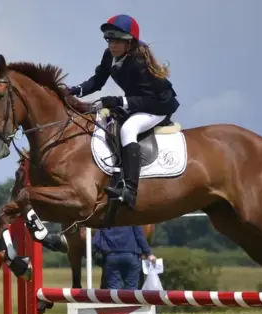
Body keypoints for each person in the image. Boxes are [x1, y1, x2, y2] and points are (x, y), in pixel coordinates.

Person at [67, 14, 180, 210]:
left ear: (130, 43)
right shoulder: (110, 55)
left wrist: (120, 101)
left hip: (158, 106)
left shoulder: (139, 62)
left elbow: (150, 99)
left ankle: (130, 190)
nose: (112, 45)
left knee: (128, 129)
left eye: (118, 41)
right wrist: (74, 90)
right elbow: (98, 81)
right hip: (138, 102)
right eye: (109, 40)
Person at [92, 225, 156, 290]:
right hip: (131, 254)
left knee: (114, 290)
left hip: (111, 256)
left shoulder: (106, 219)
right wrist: (148, 253)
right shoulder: (131, 217)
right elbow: (139, 236)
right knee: (131, 289)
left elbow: (96, 240)